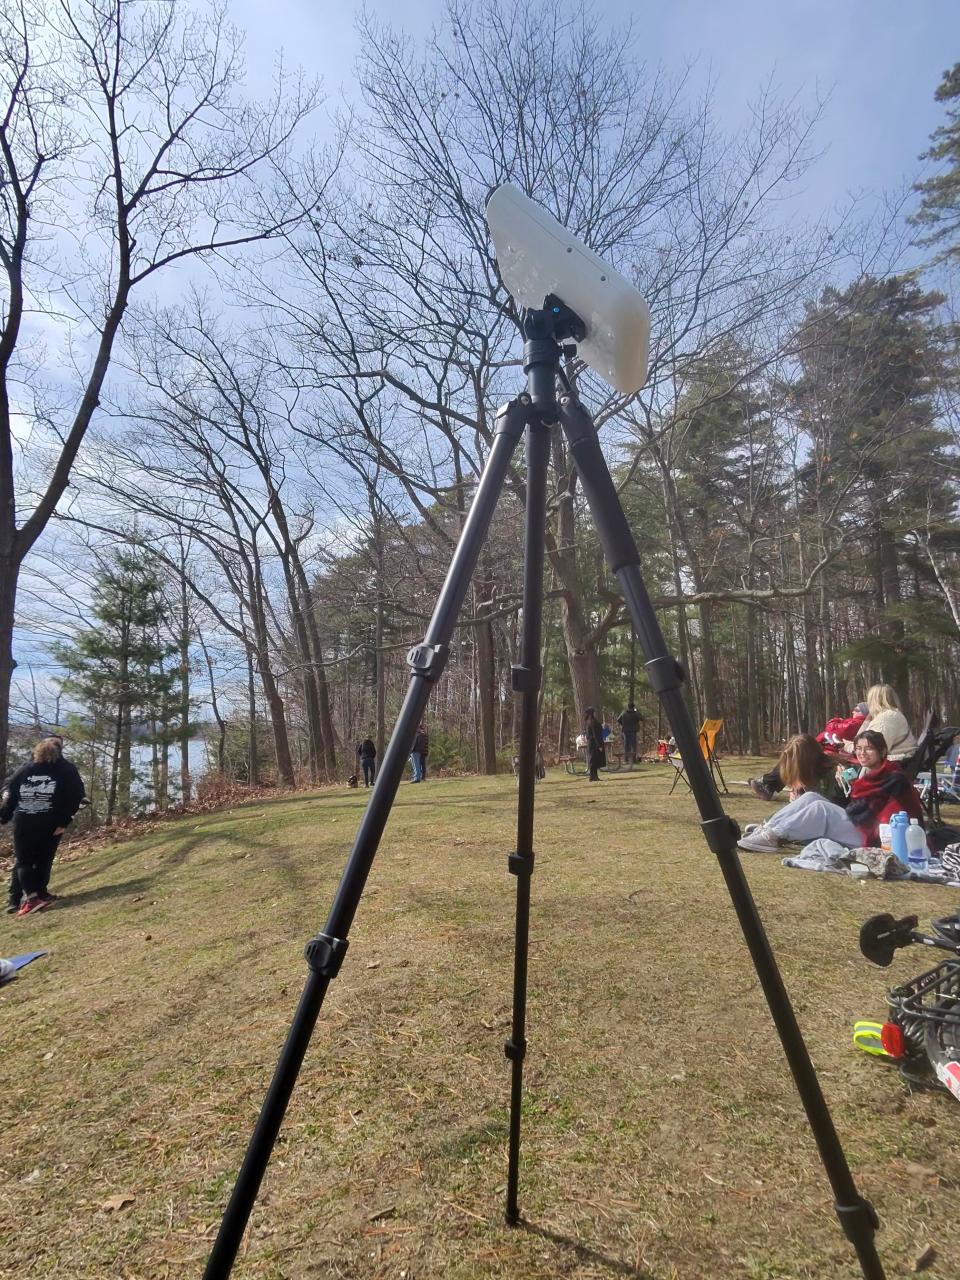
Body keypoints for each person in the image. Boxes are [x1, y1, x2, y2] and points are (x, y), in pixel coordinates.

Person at [738, 730, 924, 853]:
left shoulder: (893, 776)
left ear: (883, 751)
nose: (862, 753)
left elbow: (869, 813)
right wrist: (852, 785)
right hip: (865, 827)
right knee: (811, 797)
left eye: (869, 749)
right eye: (859, 748)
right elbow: (858, 806)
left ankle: (774, 837)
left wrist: (850, 788)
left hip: (878, 838)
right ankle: (769, 829)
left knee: (821, 807)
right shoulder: (867, 772)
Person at [2, 736, 85, 916]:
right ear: (57, 752)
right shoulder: (65, 770)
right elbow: (76, 797)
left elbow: (10, 794)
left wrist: (5, 816)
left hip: (24, 821)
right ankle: (27, 898)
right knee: (41, 860)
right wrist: (64, 821)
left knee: (24, 861)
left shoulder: (25, 770)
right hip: (49, 822)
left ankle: (34, 896)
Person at [749, 703, 869, 801]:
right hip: (824, 754)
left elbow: (834, 803)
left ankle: (768, 785)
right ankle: (768, 786)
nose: (853, 711)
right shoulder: (849, 723)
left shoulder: (842, 773)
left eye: (857, 709)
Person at [851, 684, 916, 761]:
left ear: (873, 700)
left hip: (894, 764)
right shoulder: (892, 714)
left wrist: (847, 746)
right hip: (899, 761)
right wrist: (868, 719)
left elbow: (871, 748)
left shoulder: (885, 718)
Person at [583, 706, 606, 782]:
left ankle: (594, 776)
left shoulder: (588, 722)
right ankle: (592, 776)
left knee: (594, 760)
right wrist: (599, 745)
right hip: (594, 743)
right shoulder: (592, 722)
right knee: (593, 760)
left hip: (591, 743)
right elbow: (595, 734)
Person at [617, 702, 643, 767]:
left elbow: (618, 719)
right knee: (633, 746)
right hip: (633, 731)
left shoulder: (624, 713)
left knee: (626, 745)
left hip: (625, 731)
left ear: (628, 707)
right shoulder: (636, 713)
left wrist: (623, 724)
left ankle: (626, 759)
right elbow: (641, 718)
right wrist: (637, 711)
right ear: (633, 707)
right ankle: (633, 759)